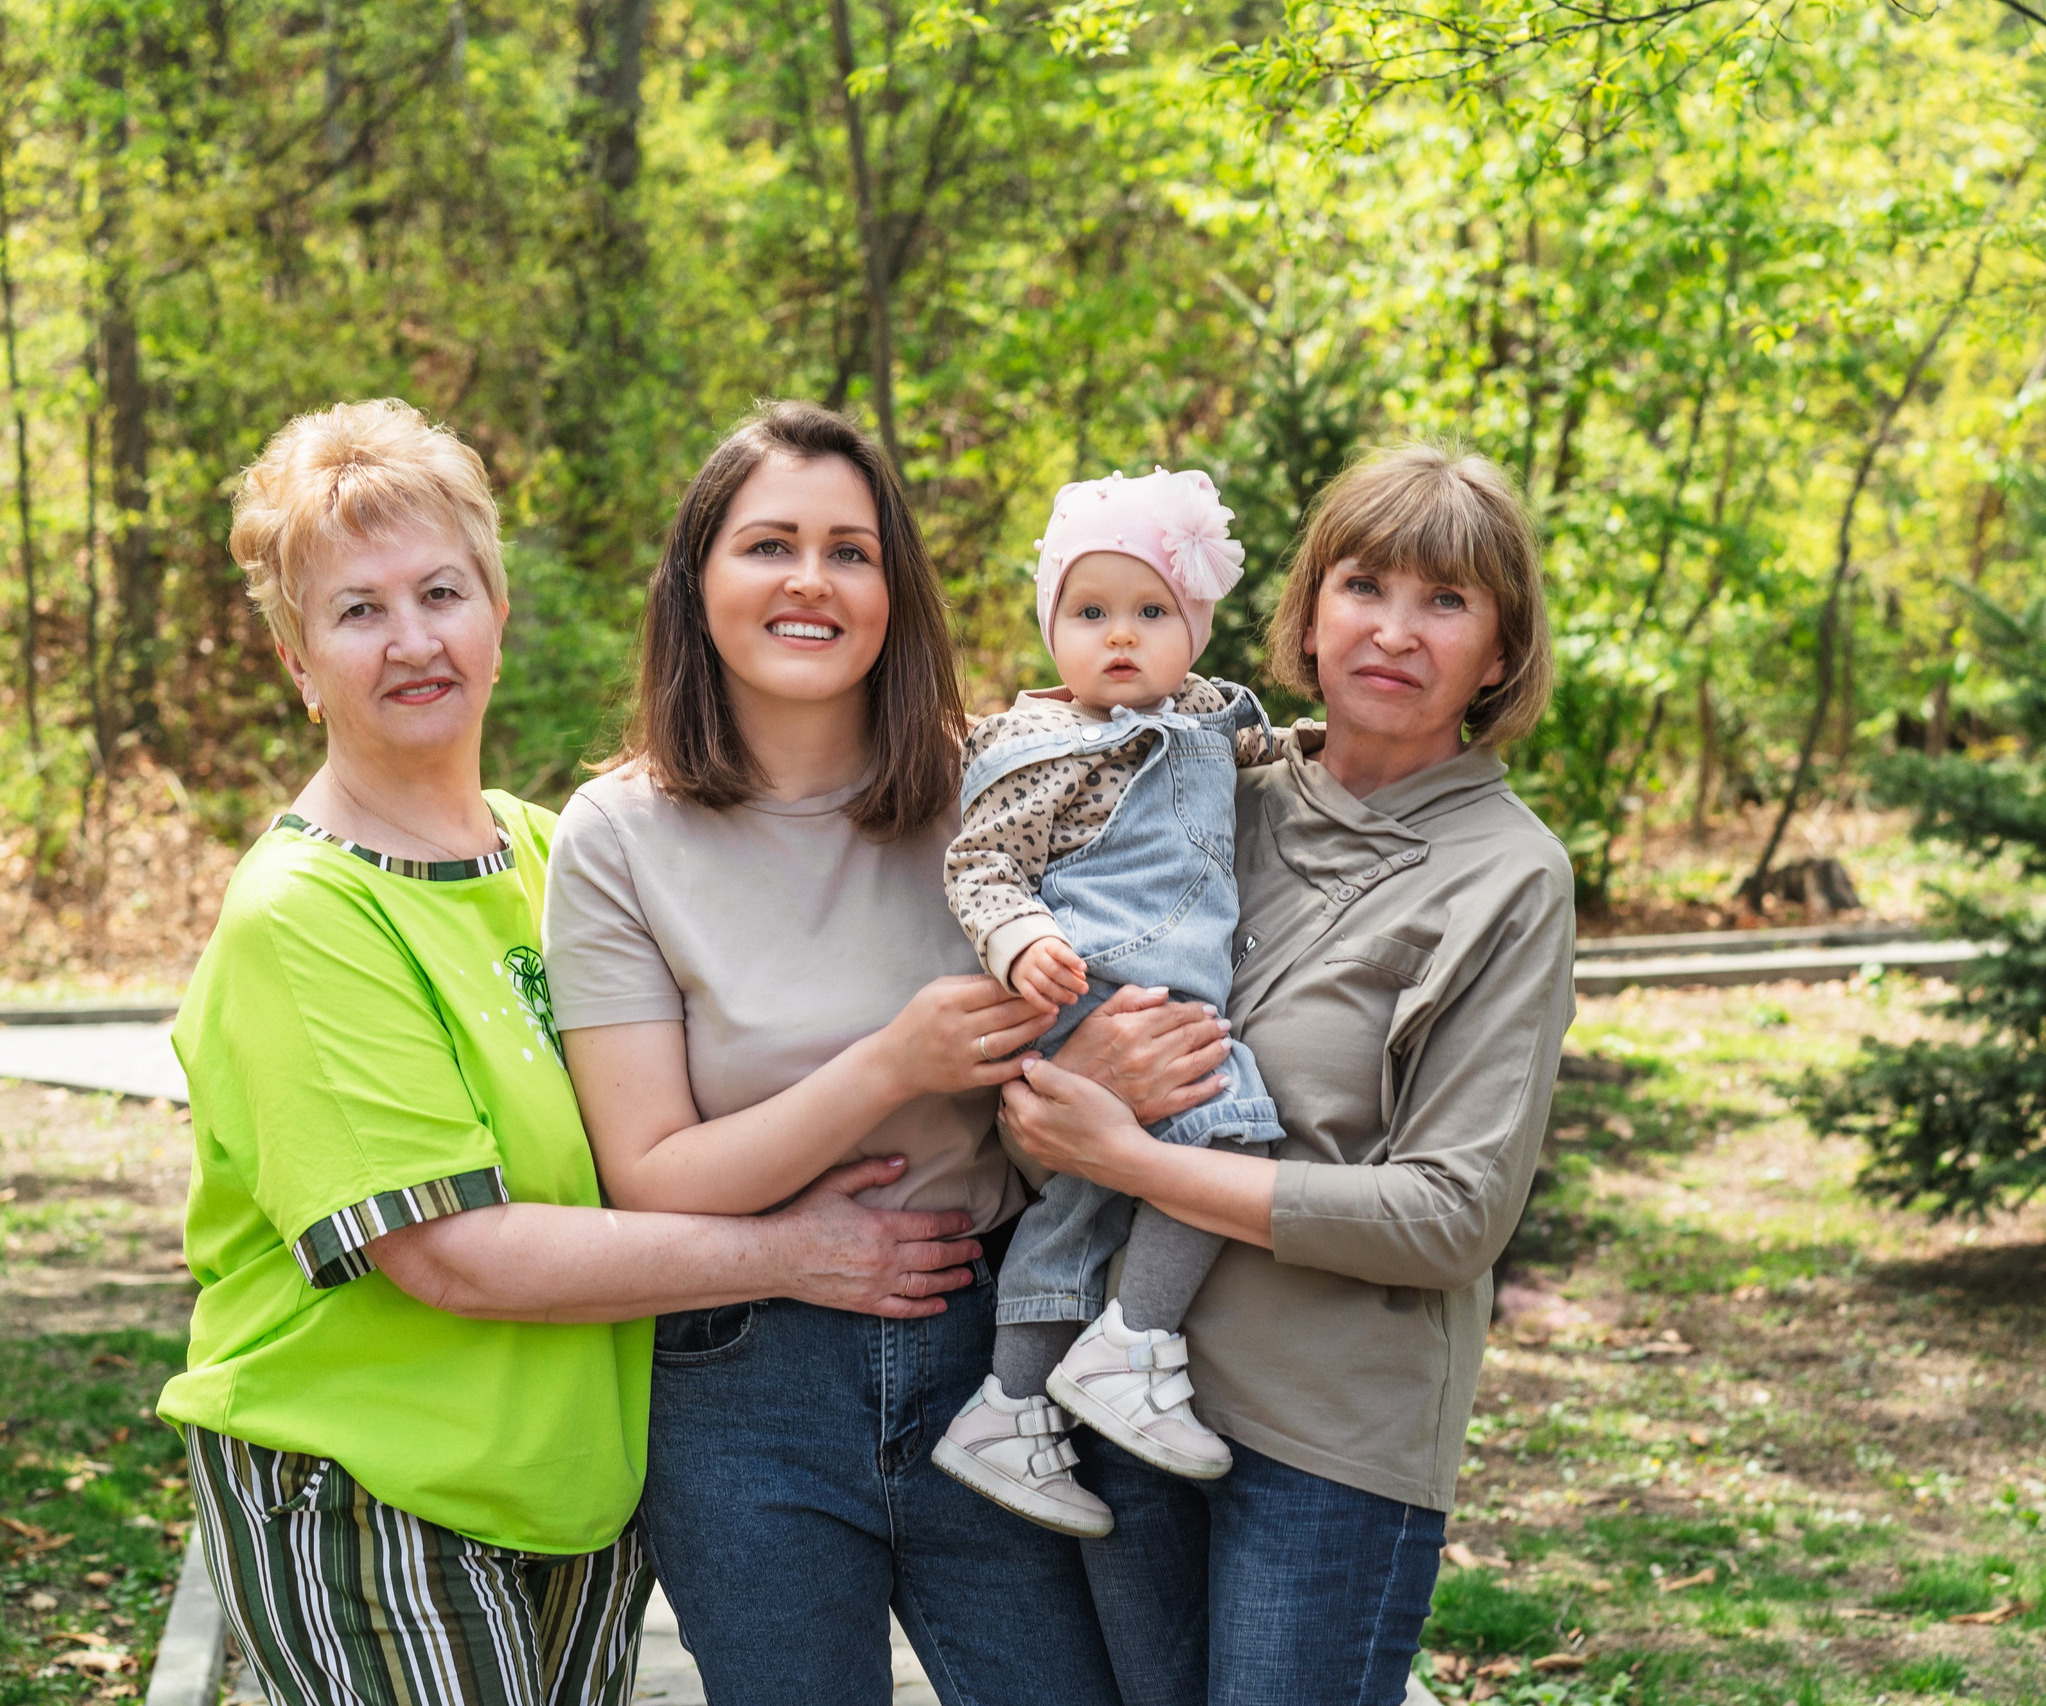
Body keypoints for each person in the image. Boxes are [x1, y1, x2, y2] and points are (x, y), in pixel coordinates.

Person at [160, 399, 983, 1706]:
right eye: (357, 610)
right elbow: (452, 1253)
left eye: (442, 591)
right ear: (297, 659)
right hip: (371, 1490)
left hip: (575, 1494)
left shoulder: (550, 855)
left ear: (498, 613)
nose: (414, 638)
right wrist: (794, 1250)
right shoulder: (301, 916)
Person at [540, 402, 1120, 1706]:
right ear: (699, 580)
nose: (811, 580)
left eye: (850, 550)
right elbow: (650, 1173)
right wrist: (891, 1062)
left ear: (893, 591)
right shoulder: (617, 837)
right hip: (744, 1384)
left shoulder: (999, 795)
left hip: (997, 1354)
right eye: (769, 545)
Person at [998, 443, 1576, 1706]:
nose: (1395, 631)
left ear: (1501, 652)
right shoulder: (1202, 791)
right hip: (1121, 1407)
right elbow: (1044, 1081)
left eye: (1447, 601)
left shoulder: (1507, 877)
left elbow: (1450, 1215)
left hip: (1327, 1447)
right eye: (1364, 584)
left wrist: (1139, 1161)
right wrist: (1074, 1094)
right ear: (1308, 612)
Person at [930, 468, 1287, 1539]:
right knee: (1231, 1145)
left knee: (1081, 1211)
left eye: (1150, 612)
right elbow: (980, 866)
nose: (1118, 637)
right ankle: (1134, 1342)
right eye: (1088, 614)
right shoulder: (1044, 751)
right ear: (1051, 627)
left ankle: (1007, 1409)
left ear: (1196, 627)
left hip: (1153, 986)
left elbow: (1273, 763)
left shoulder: (1207, 718)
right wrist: (1022, 939)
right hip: (1091, 989)